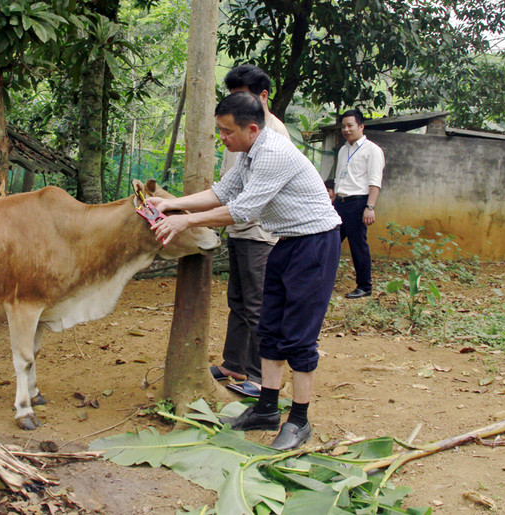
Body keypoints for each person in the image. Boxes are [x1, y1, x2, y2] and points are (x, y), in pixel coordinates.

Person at [148, 88, 341, 451]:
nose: (222, 137)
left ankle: (299, 420)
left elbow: (242, 210)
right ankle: (266, 409)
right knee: (269, 328)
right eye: (219, 130)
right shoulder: (248, 154)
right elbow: (222, 192)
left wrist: (185, 222)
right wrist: (171, 205)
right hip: (286, 241)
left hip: (315, 245)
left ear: (252, 129)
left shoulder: (272, 153)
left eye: (227, 131)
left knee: (299, 337)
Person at [210, 65, 291, 400]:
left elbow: (252, 200)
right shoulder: (237, 127)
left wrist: (191, 220)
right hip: (239, 228)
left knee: (258, 304)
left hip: (260, 232)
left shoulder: (272, 133)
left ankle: (259, 376)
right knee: (238, 301)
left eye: (241, 97)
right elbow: (226, 187)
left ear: (263, 97)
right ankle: (234, 364)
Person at [330, 109, 385, 299]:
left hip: (358, 203)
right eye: (343, 126)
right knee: (329, 242)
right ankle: (323, 280)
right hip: (340, 202)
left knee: (357, 245)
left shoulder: (373, 150)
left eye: (350, 125)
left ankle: (364, 286)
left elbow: (375, 181)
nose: (346, 130)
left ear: (361, 126)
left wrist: (370, 207)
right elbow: (339, 177)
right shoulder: (343, 149)